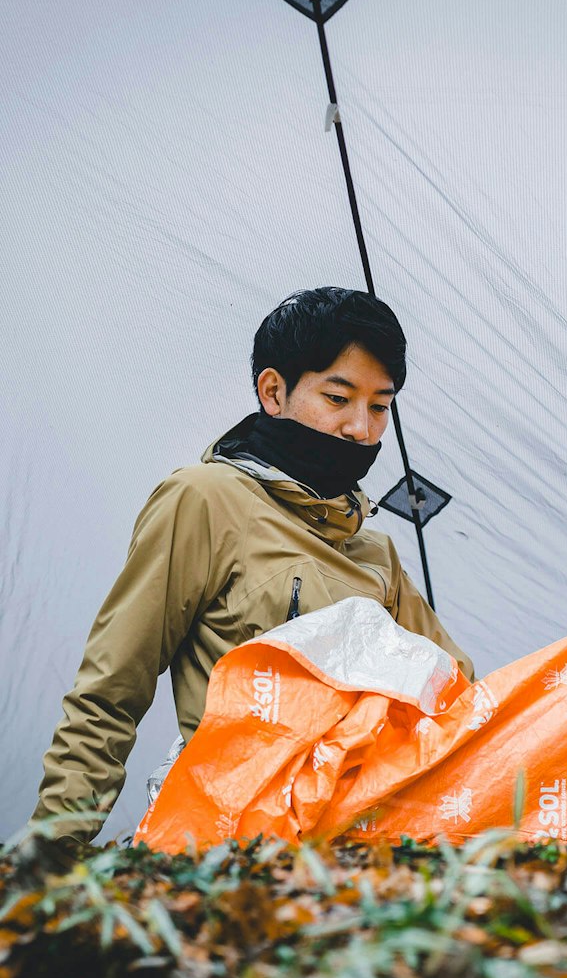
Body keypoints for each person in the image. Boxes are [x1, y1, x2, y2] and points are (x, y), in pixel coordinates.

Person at [30, 287, 473, 847]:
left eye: (380, 407)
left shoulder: (375, 551)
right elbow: (112, 688)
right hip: (239, 839)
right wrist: (56, 846)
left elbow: (462, 699)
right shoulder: (206, 500)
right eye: (339, 399)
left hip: (365, 848)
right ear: (273, 391)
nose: (361, 428)